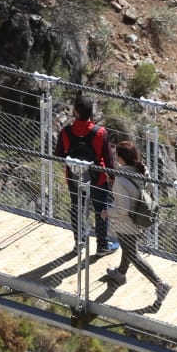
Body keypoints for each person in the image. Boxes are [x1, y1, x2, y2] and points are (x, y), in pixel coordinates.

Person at [101, 141, 171, 302]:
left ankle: (160, 284)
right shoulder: (143, 170)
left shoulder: (120, 180)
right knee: (128, 248)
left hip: (126, 222)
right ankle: (120, 273)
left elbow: (123, 209)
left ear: (120, 158)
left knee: (133, 254)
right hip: (141, 216)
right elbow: (151, 190)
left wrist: (107, 212)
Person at [54, 93, 118, 255]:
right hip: (98, 178)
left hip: (74, 177)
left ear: (75, 112)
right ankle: (102, 246)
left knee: (77, 208)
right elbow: (109, 161)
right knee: (101, 209)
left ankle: (79, 243)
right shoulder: (101, 133)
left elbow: (59, 155)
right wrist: (113, 177)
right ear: (91, 112)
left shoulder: (66, 132)